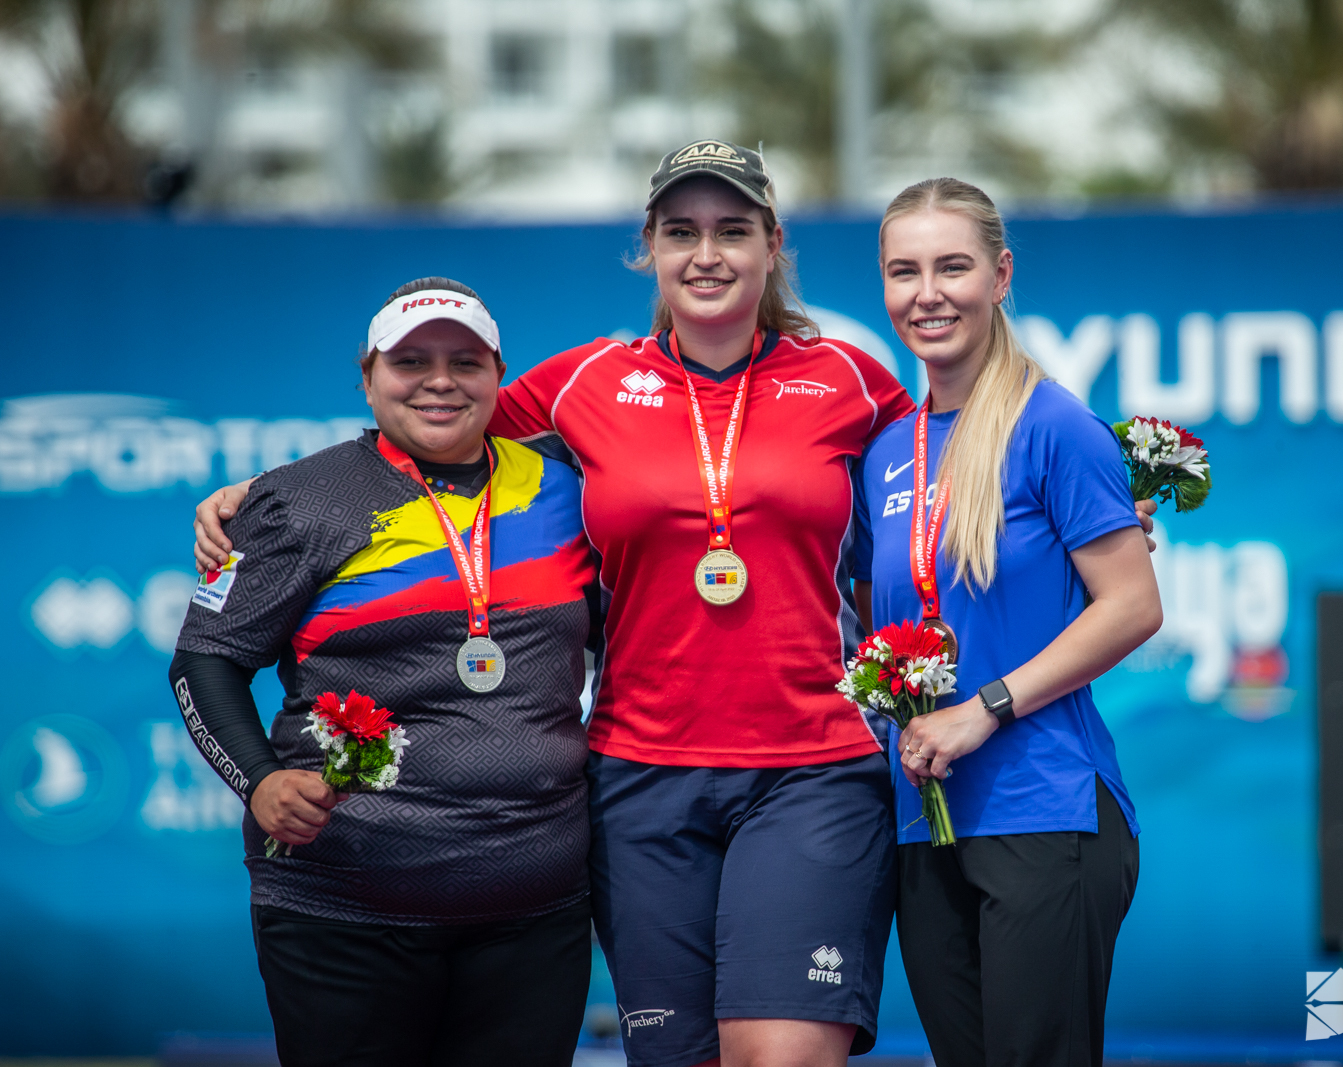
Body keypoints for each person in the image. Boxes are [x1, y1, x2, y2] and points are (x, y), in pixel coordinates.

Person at [195, 141, 917, 1067]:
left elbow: (949, 471)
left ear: (772, 244)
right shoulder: (585, 382)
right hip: (639, 773)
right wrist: (264, 492)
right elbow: (421, 422)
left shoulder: (850, 379)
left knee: (778, 1053)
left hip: (811, 764)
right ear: (647, 247)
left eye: (734, 230)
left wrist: (1096, 494)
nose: (708, 253)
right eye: (681, 231)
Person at [171, 278, 597, 1067]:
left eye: (465, 360)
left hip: (536, 914)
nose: (440, 379)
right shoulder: (299, 499)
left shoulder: (568, 491)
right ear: (366, 377)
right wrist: (259, 780)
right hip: (343, 910)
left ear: (499, 375)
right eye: (411, 361)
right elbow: (204, 662)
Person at [853, 177, 1163, 1067]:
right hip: (926, 819)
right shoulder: (885, 450)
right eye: (904, 271)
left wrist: (982, 706)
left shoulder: (1055, 424)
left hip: (1044, 806)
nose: (928, 293)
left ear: (1000, 273)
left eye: (953, 266)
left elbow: (1134, 603)